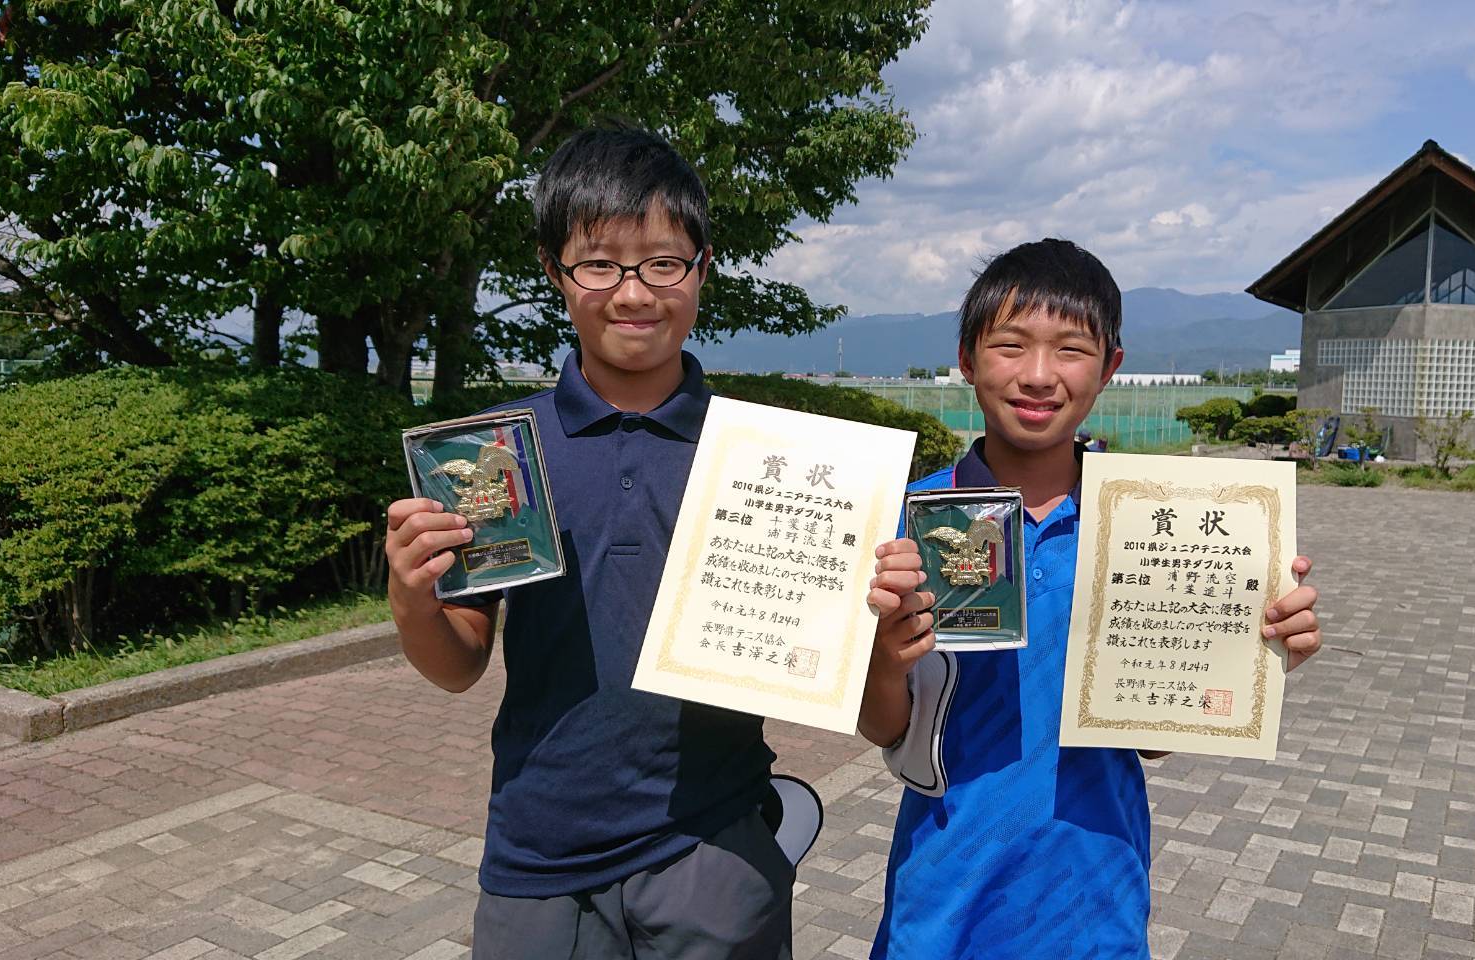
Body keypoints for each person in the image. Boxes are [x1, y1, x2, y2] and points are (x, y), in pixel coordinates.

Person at [383, 126, 792, 960]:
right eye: (599, 264)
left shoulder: (763, 460)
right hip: (541, 849)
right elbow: (460, 662)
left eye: (663, 263)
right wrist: (411, 596)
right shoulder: (499, 454)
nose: (633, 292)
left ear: (703, 269)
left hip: (714, 845)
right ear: (554, 272)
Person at [860, 239, 1323, 959]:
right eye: (1009, 345)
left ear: (1110, 366)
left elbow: (1152, 738)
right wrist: (888, 657)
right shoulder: (912, 519)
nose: (1039, 375)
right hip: (941, 903)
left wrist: (1248, 655)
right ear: (966, 358)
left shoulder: (1147, 523)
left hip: (1095, 905)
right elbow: (884, 729)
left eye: (1071, 350)